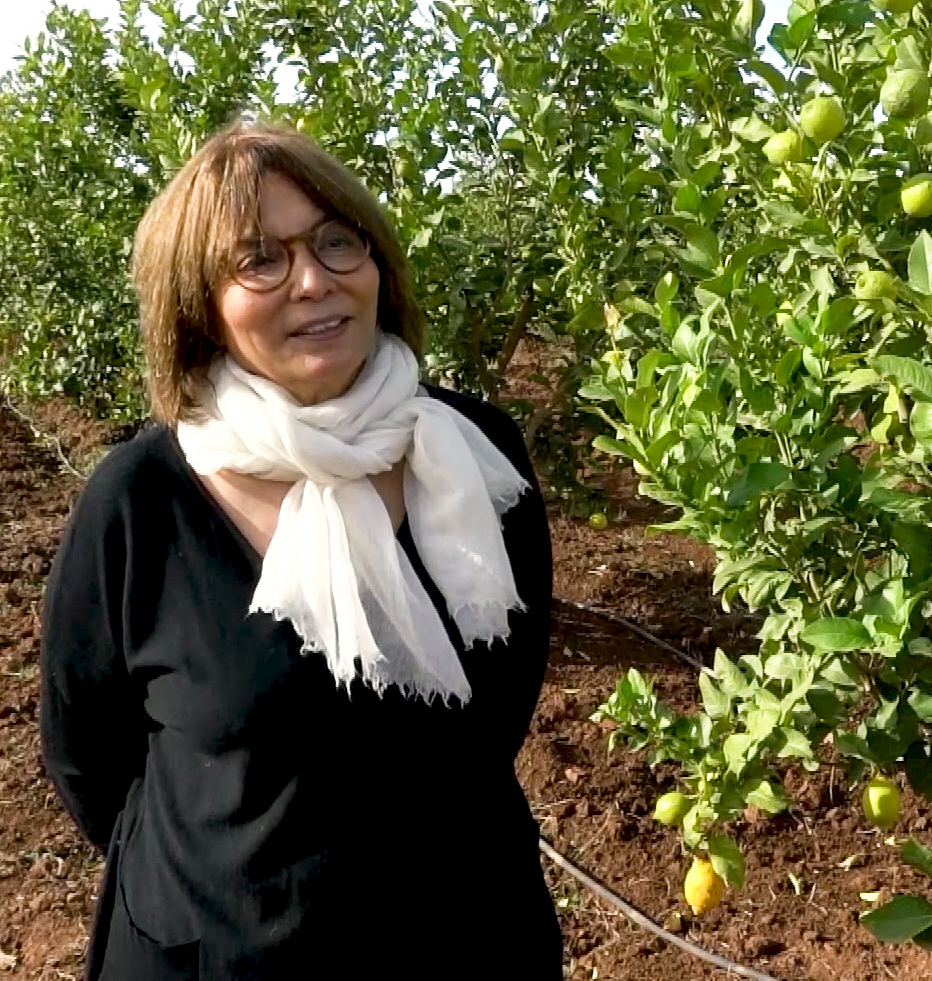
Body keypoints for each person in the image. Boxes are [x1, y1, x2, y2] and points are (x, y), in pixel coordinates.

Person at [36, 120, 563, 979]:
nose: (313, 281)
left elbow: (503, 697)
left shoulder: (472, 455)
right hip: (218, 953)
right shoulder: (142, 497)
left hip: (465, 936)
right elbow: (86, 752)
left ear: (379, 267)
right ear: (198, 304)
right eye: (259, 260)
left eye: (336, 242)